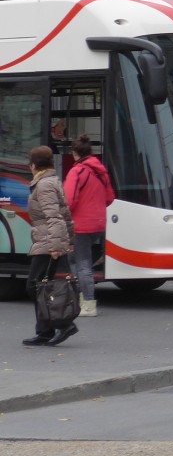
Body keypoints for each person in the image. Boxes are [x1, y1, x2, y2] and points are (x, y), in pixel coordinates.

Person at [24, 145, 79, 347]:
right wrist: (70, 241)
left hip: (48, 241)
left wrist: (57, 246)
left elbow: (55, 217)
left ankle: (63, 324)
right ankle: (45, 331)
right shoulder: (51, 181)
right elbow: (66, 215)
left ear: (34, 165)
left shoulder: (44, 185)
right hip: (50, 240)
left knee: (34, 286)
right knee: (42, 286)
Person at [63, 135, 114, 318]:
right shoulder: (101, 171)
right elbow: (109, 198)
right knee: (79, 260)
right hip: (98, 224)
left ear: (74, 153)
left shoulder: (76, 172)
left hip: (80, 225)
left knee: (81, 263)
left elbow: (69, 200)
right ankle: (83, 298)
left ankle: (88, 303)